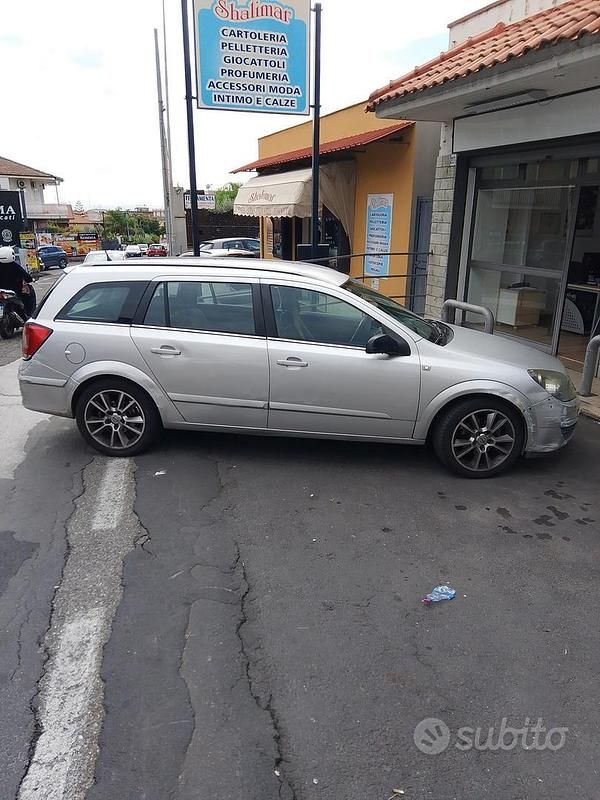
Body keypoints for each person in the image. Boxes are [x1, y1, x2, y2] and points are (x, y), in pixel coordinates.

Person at [0, 246, 36, 317]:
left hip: (2, 292)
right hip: (14, 292)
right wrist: (31, 279)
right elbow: (28, 278)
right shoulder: (15, 266)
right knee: (29, 294)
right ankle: (29, 315)